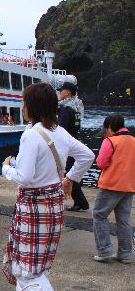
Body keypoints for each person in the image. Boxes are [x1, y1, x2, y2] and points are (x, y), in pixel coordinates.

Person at [1, 83, 94, 290]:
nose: (22, 106)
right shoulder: (60, 132)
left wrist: (6, 168)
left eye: (24, 102)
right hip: (53, 206)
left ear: (32, 106)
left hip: (32, 207)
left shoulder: (31, 134)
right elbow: (88, 156)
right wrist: (70, 178)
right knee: (39, 266)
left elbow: (24, 178)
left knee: (26, 271)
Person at [92, 114, 134, 264]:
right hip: (129, 186)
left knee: (99, 215)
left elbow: (101, 163)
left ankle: (105, 251)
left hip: (111, 185)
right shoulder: (133, 141)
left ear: (110, 127)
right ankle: (126, 254)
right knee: (123, 219)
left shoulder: (110, 141)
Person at [57, 81, 89, 212]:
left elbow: (60, 128)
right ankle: (79, 201)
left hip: (67, 145)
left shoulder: (65, 109)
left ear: (67, 93)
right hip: (75, 140)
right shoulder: (77, 107)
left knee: (70, 173)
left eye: (61, 91)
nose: (59, 93)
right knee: (73, 171)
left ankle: (80, 202)